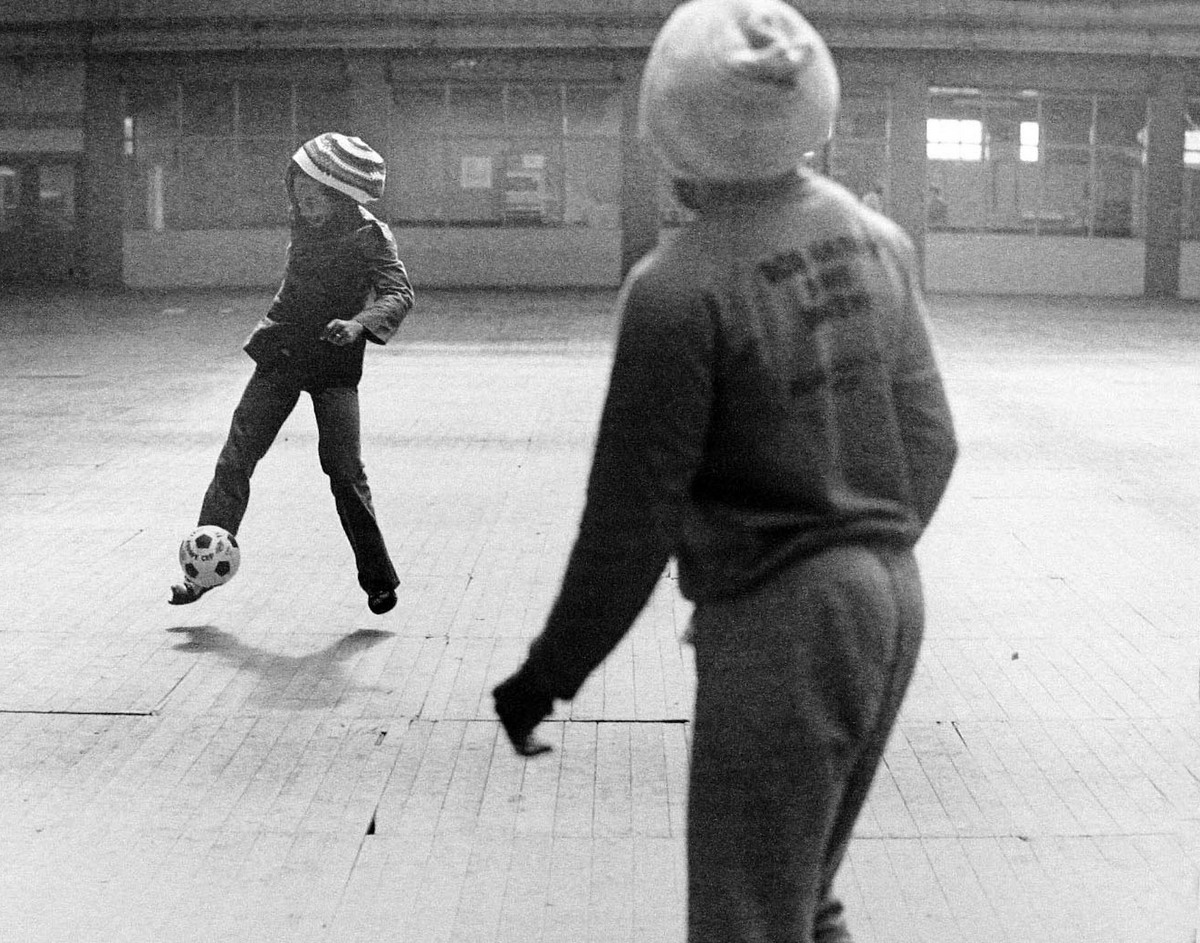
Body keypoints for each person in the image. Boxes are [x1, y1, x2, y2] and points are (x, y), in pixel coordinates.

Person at [491, 2, 958, 941]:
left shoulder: (679, 287)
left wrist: (549, 672)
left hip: (784, 618)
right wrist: (863, 552)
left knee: (746, 921)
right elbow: (933, 440)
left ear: (667, 129)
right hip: (892, 597)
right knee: (796, 899)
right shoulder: (880, 242)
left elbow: (632, 520)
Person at [170, 132, 414, 615]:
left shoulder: (369, 235)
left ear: (342, 198)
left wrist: (359, 324)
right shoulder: (303, 223)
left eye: (319, 195)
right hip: (282, 354)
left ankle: (378, 578)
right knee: (235, 459)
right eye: (300, 191)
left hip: (334, 362)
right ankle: (200, 574)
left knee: (345, 473)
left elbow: (399, 293)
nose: (308, 203)